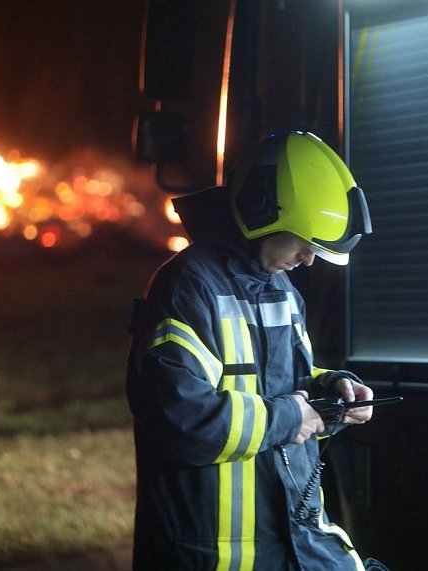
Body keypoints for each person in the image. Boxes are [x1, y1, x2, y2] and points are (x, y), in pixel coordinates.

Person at [126, 131, 387, 570]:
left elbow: (285, 385)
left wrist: (334, 392)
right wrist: (290, 418)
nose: (309, 259)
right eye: (305, 241)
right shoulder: (187, 288)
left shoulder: (281, 290)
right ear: (261, 211)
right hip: (215, 557)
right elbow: (182, 418)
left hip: (296, 548)